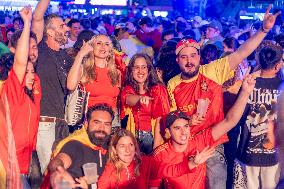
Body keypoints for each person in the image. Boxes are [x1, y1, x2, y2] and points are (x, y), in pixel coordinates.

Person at [166, 6, 280, 189]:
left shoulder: (212, 71)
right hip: (184, 145)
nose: (189, 61)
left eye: (193, 55)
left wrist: (264, 30)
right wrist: (188, 119)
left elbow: (242, 52)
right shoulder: (172, 84)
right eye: (184, 57)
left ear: (199, 56)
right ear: (177, 60)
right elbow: (170, 117)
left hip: (213, 142)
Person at [151, 73, 256, 189]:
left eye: (186, 126)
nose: (183, 132)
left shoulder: (197, 141)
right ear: (168, 132)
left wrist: (245, 92)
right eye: (177, 128)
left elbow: (229, 121)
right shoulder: (160, 154)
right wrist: (191, 164)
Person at [0, 6, 42, 189]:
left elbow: (31, 55)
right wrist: (26, 23)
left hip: (26, 162)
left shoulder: (33, 90)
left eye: (33, 72)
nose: (32, 76)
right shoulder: (12, 91)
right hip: (8, 163)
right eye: (27, 73)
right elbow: (21, 61)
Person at [233, 42, 283, 189]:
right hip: (275, 155)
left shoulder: (248, 84)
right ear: (277, 65)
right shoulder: (282, 86)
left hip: (248, 153)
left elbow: (238, 116)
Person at [35, 8, 73, 174]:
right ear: (49, 31)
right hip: (45, 122)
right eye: (62, 25)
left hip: (63, 122)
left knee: (61, 171)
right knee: (48, 173)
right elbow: (37, 18)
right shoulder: (40, 50)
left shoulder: (66, 57)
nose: (67, 28)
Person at [43, 104, 113, 189]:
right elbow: (59, 159)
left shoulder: (108, 147)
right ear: (86, 124)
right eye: (96, 122)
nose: (101, 128)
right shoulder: (76, 144)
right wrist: (58, 170)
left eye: (107, 124)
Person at [121, 53, 170, 154]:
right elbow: (127, 99)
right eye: (136, 67)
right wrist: (140, 99)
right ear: (131, 71)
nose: (140, 71)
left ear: (149, 69)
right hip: (133, 138)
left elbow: (160, 121)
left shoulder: (158, 89)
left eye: (143, 67)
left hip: (152, 137)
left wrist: (156, 149)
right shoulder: (128, 89)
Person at [67, 34, 121, 125]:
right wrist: (80, 55)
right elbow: (70, 86)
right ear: (92, 47)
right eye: (99, 43)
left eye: (107, 44)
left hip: (110, 124)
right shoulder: (83, 69)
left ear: (110, 50)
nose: (103, 46)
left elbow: (115, 101)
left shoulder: (116, 73)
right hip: (88, 123)